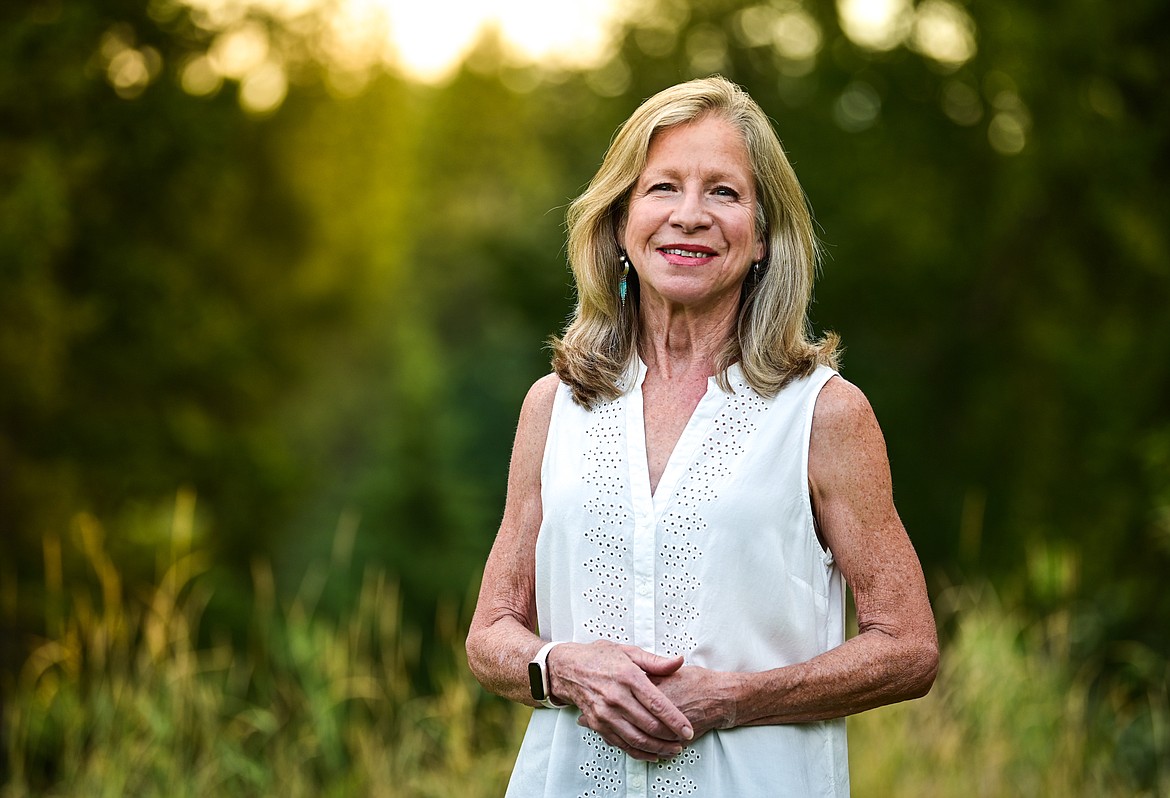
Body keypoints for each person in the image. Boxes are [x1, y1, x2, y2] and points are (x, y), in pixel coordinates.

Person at [466, 76, 938, 797]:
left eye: (723, 192)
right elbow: (491, 633)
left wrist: (732, 698)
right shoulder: (553, 406)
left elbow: (909, 647)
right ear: (621, 221)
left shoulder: (824, 414)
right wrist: (563, 668)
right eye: (662, 188)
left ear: (763, 237)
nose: (689, 216)